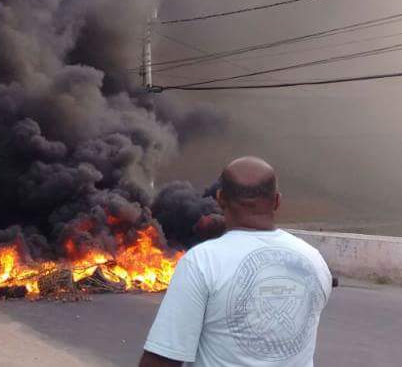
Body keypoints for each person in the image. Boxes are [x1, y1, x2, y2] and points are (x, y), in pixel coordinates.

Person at [140, 157, 332, 367]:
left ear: (220, 199)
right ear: (277, 201)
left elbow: (162, 359)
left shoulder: (202, 262)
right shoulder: (313, 260)